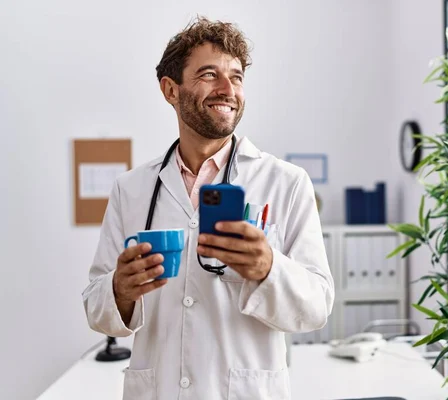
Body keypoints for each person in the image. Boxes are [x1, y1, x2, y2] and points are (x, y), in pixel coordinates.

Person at [82, 16, 334, 400]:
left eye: (236, 77)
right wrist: (119, 290)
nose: (227, 89)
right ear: (170, 89)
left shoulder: (286, 183)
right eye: (208, 74)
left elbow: (316, 308)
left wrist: (268, 269)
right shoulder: (131, 189)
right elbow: (97, 311)